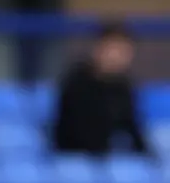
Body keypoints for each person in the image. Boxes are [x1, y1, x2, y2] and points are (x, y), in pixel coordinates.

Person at [52, 21, 150, 156]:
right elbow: (73, 131)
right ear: (98, 48)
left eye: (124, 51)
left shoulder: (124, 86)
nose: (117, 56)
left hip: (106, 158)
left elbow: (131, 128)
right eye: (113, 49)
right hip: (74, 157)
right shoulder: (76, 82)